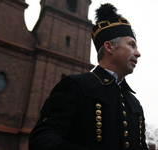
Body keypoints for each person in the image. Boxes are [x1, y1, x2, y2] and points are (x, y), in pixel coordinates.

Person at [28, 3, 149, 150]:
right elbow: (41, 139)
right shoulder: (75, 86)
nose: (138, 53)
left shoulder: (134, 104)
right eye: (131, 45)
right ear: (109, 47)